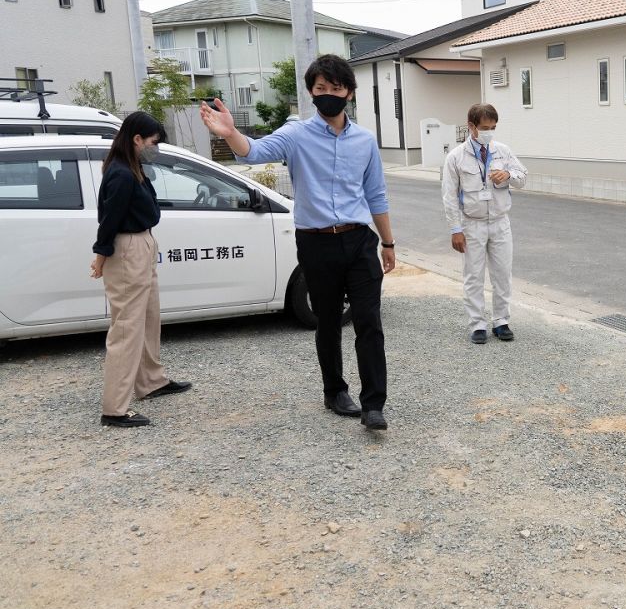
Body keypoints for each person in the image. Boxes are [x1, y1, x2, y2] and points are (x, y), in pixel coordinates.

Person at [199, 55, 396, 431]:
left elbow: (377, 195)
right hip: (316, 242)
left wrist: (388, 243)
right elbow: (253, 152)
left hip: (359, 241)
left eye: (335, 89)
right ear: (311, 92)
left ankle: (374, 404)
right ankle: (335, 391)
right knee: (328, 322)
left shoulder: (365, 141)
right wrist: (230, 134)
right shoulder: (296, 135)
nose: (328, 95)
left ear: (349, 93)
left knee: (369, 321)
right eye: (320, 89)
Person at [90, 112, 192, 427]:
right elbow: (109, 219)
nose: (156, 148)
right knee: (126, 329)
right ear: (136, 140)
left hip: (142, 244)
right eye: (153, 142)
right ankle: (114, 408)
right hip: (128, 249)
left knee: (149, 318)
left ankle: (151, 380)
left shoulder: (132, 168)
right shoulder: (121, 173)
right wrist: (101, 254)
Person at [441, 103, 528, 344]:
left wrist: (508, 175)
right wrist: (455, 229)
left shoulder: (502, 151)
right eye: (485, 127)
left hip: (500, 222)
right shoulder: (456, 157)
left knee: (502, 273)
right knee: (473, 275)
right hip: (472, 224)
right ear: (471, 127)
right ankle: (477, 324)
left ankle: (501, 321)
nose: (489, 132)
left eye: (493, 127)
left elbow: (524, 177)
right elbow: (449, 196)